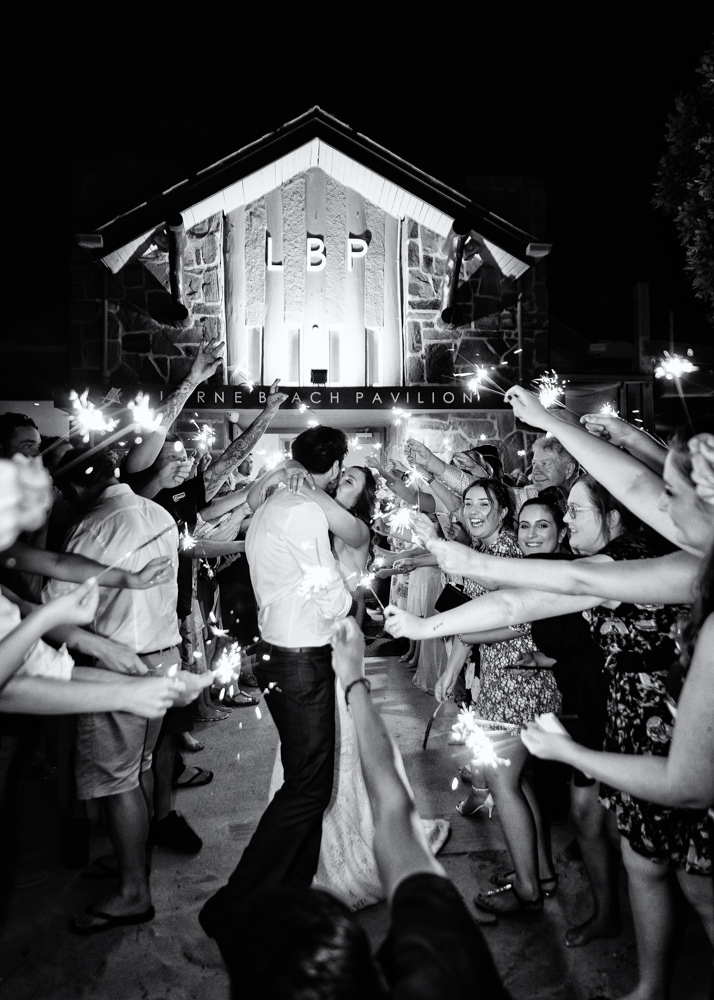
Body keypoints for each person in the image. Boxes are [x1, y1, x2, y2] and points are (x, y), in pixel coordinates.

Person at [216, 617, 512, 1000]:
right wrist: (354, 680)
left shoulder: (440, 956)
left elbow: (392, 806)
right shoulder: (443, 958)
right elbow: (393, 801)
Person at [46, 446, 213, 933]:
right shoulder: (158, 513)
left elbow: (57, 607)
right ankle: (132, 861)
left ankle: (133, 892)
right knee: (138, 768)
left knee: (118, 781)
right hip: (163, 654)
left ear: (75, 486)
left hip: (119, 661)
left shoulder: (91, 526)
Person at [199, 425, 354, 938]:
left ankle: (291, 893)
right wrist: (348, 598)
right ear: (335, 467)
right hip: (300, 656)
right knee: (308, 788)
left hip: (277, 650)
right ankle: (235, 901)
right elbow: (326, 585)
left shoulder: (269, 505)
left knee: (305, 779)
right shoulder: (304, 510)